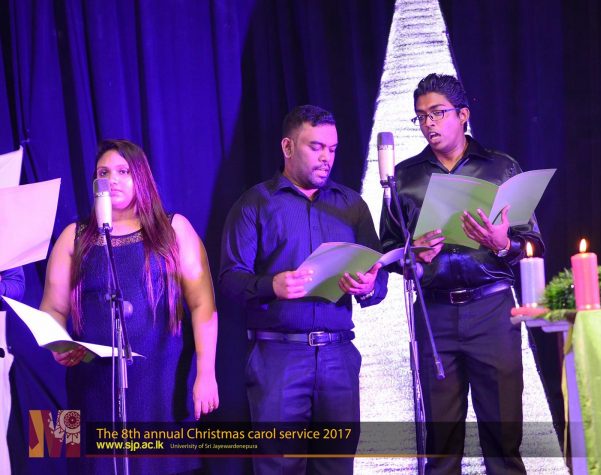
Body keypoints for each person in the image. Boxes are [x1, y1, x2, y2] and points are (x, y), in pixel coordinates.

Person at [379, 74, 545, 474]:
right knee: (441, 444)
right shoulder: (405, 177)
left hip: (492, 311)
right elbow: (387, 251)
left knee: (503, 439)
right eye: (421, 116)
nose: (429, 123)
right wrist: (413, 256)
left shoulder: (501, 168)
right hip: (434, 314)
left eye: (437, 113)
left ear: (463, 115)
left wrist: (502, 243)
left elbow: (535, 245)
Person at [219, 104, 387, 474]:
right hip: (278, 357)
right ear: (288, 147)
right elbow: (230, 280)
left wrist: (368, 286)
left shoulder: (352, 206)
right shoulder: (255, 204)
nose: (327, 157)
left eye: (332, 148)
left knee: (337, 466)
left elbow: (379, 279)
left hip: (338, 356)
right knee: (278, 466)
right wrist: (271, 285)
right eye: (316, 147)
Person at [40, 139, 219, 474]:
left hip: (161, 383)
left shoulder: (174, 229)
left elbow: (203, 304)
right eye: (104, 173)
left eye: (123, 171)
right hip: (93, 387)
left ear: (141, 177)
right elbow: (52, 307)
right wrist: (57, 343)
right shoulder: (74, 237)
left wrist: (206, 374)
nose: (113, 179)